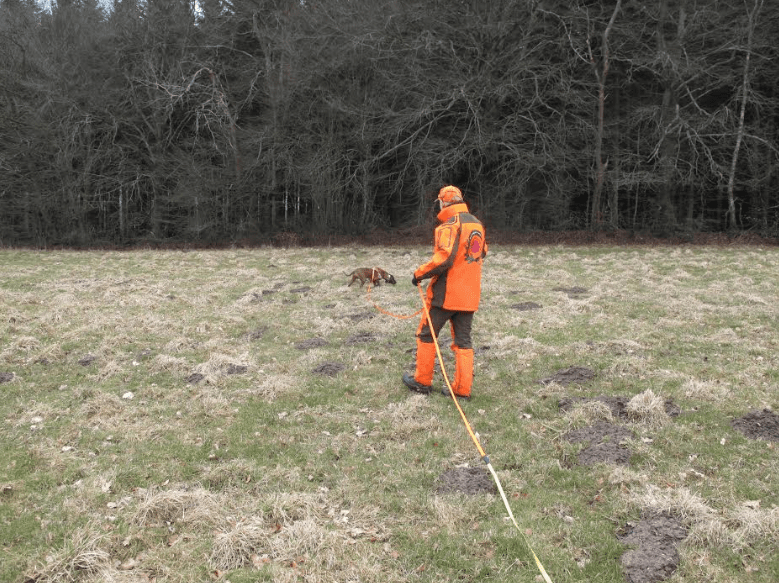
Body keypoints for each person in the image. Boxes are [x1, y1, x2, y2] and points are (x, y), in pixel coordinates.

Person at [402, 185, 487, 400]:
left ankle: (422, 381)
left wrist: (419, 273)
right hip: (470, 296)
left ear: (443, 203)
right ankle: (462, 390)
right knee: (463, 341)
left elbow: (444, 259)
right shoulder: (477, 224)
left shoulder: (449, 226)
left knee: (426, 334)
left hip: (445, 295)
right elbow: (482, 252)